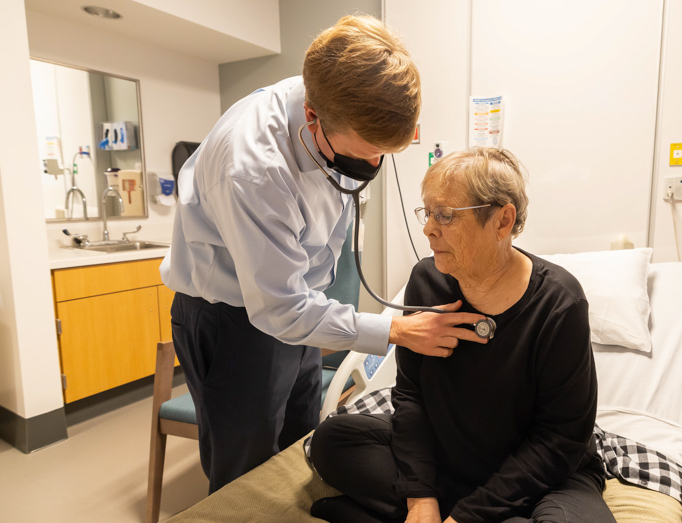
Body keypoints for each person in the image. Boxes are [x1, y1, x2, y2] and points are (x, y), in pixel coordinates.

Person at [160, 15, 488, 494]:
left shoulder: (336, 94)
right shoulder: (252, 167)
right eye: (368, 151)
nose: (374, 165)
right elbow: (280, 307)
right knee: (245, 474)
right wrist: (396, 329)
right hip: (231, 321)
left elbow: (298, 302)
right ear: (314, 119)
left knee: (299, 445)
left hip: (297, 311)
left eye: (385, 154)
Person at [310, 148, 636, 523]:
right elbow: (411, 398)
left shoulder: (559, 304)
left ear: (503, 220)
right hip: (449, 458)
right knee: (331, 441)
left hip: (539, 475)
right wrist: (421, 501)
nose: (427, 228)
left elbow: (560, 439)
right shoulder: (427, 282)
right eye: (427, 212)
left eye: (445, 215)